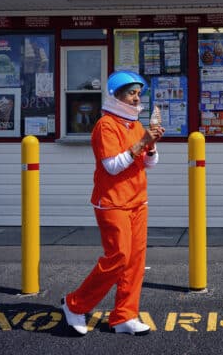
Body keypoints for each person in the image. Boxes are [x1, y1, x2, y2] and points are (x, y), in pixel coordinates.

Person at [61, 71, 165, 336]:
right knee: (118, 257)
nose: (136, 98)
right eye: (131, 93)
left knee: (135, 261)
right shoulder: (105, 125)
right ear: (116, 95)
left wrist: (150, 147)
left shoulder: (137, 126)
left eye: (138, 93)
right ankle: (74, 304)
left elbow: (151, 164)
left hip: (138, 201)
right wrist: (142, 143)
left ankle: (124, 316)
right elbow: (112, 166)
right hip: (112, 202)